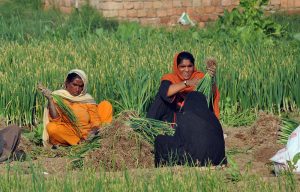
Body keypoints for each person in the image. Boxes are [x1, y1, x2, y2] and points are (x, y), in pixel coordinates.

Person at [39, 69, 113, 147]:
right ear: (67, 83)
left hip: (89, 132)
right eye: (74, 85)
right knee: (52, 128)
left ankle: (102, 135)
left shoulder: (86, 99)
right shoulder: (59, 97)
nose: (77, 89)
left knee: (106, 105)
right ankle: (79, 143)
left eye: (81, 86)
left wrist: (94, 131)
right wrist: (50, 99)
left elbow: (95, 120)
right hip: (70, 132)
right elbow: (55, 120)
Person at [154, 92, 227, 167]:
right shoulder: (213, 118)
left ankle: (161, 166)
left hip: (196, 159)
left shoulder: (186, 116)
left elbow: (179, 141)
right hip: (218, 159)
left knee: (160, 140)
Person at [147, 51, 220, 123]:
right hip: (172, 117)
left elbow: (211, 94)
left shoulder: (199, 77)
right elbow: (166, 92)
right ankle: (149, 125)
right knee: (160, 97)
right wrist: (186, 83)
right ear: (177, 67)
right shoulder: (170, 78)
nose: (187, 70)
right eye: (182, 66)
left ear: (193, 66)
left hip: (192, 118)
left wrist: (211, 78)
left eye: (190, 66)